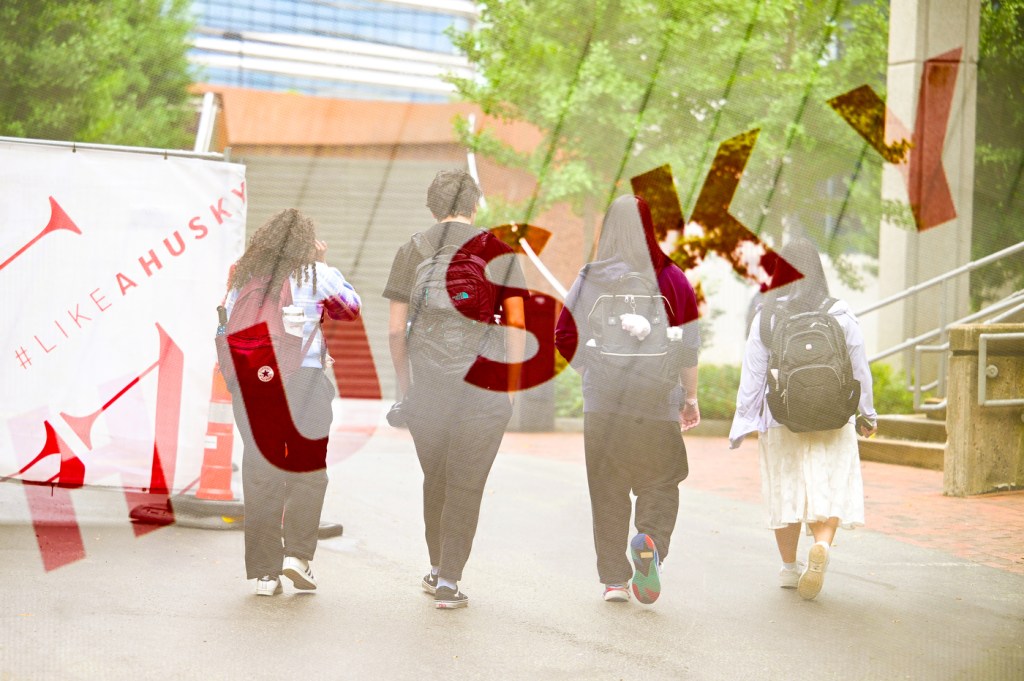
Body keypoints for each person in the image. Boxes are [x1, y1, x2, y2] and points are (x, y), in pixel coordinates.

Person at [383, 169, 527, 609]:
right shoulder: (500, 252)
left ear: (431, 207)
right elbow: (518, 324)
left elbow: (394, 332)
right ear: (476, 206)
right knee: (467, 483)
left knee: (437, 479)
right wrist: (511, 389)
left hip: (428, 387)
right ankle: (449, 580)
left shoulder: (412, 249)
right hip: (483, 388)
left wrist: (407, 389)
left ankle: (435, 566)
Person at [554, 195, 700, 605]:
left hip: (604, 407)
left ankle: (614, 581)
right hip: (656, 404)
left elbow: (564, 335)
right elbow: (689, 346)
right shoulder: (673, 278)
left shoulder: (591, 277)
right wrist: (689, 397)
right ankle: (650, 539)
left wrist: (593, 372)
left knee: (607, 489)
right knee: (660, 483)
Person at [729, 237, 877, 600]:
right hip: (833, 415)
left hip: (783, 416)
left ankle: (788, 568)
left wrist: (743, 423)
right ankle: (822, 546)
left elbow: (752, 376)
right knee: (828, 483)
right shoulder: (840, 312)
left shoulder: (767, 315)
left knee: (787, 487)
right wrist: (868, 414)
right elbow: (859, 368)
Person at [224, 208, 361, 596]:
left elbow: (227, 321)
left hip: (255, 380)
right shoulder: (315, 274)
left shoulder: (244, 275)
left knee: (261, 471)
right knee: (307, 468)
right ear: (306, 243)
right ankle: (297, 558)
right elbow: (349, 310)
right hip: (304, 379)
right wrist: (321, 265)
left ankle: (265, 574)